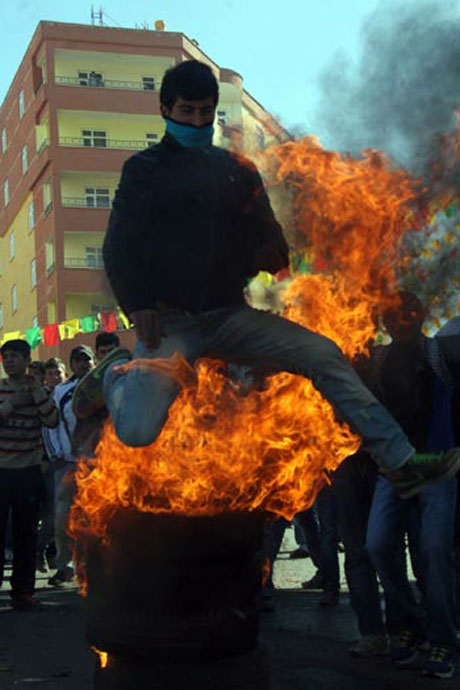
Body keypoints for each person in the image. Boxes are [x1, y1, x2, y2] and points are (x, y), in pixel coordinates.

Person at [73, 59, 460, 499]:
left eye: (205, 113)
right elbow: (119, 246)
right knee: (139, 431)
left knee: (324, 353)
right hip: (171, 325)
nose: (197, 122)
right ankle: (116, 377)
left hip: (232, 316)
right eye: (187, 112)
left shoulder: (237, 170)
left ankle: (400, 462)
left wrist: (269, 252)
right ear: (165, 110)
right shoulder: (142, 171)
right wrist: (137, 303)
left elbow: (271, 235)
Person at [366, 293, 460, 679]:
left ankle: (442, 640)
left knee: (434, 550)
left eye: (405, 313)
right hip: (396, 468)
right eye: (389, 315)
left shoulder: (442, 353)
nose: (397, 321)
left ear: (420, 315)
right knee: (377, 543)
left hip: (438, 466)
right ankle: (406, 626)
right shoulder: (380, 360)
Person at [0, 339, 59, 610]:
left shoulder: (38, 390)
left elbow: (53, 420)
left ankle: (23, 592)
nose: (9, 360)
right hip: (1, 471)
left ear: (26, 361)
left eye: (14, 356)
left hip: (28, 473)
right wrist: (12, 404)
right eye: (5, 356)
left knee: (26, 536)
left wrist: (35, 394)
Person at [46, 345, 95, 586]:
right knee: (62, 518)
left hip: (98, 465)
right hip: (66, 463)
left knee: (96, 518)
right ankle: (64, 566)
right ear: (72, 364)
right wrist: (56, 455)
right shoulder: (61, 391)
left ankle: (95, 567)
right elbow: (50, 424)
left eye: (87, 359)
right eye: (78, 360)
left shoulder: (104, 387)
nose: (83, 363)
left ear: (94, 361)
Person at [72, 333, 121, 457]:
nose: (108, 355)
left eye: (111, 351)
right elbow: (83, 417)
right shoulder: (91, 384)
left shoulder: (132, 375)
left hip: (127, 445)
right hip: (99, 449)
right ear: (97, 355)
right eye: (103, 352)